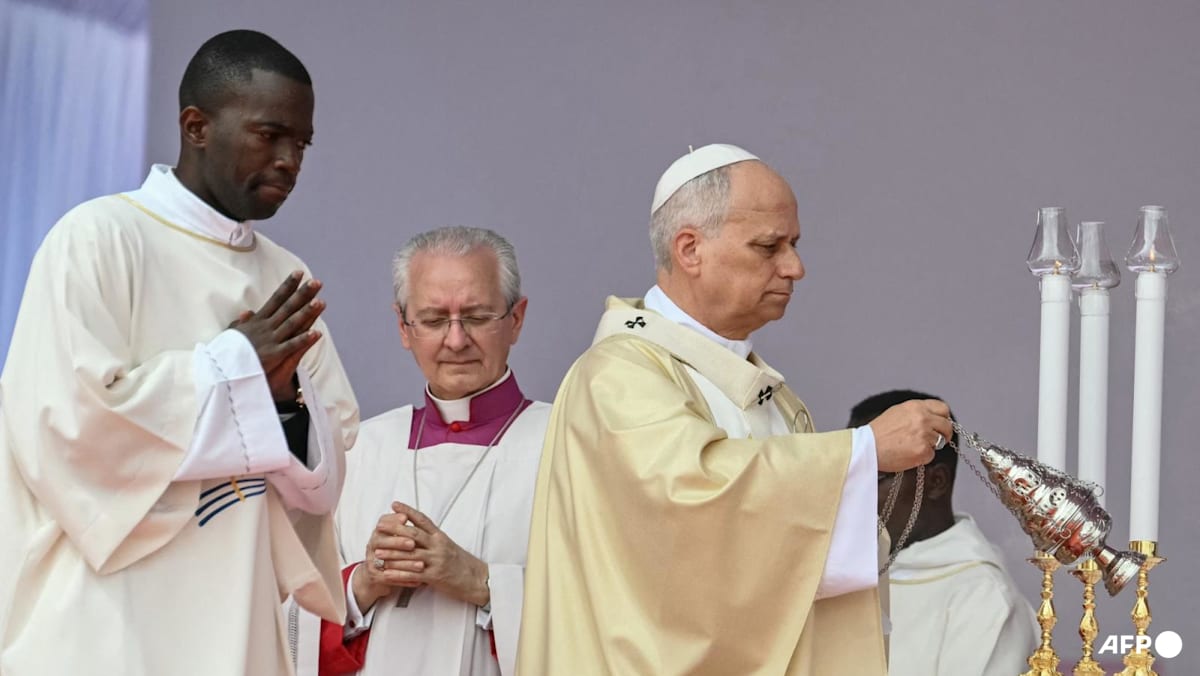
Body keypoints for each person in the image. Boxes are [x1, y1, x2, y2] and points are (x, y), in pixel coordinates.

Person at [517, 143, 953, 675]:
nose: (796, 267)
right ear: (690, 249)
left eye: (793, 244)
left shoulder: (768, 394)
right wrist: (862, 450)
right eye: (769, 247)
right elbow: (687, 508)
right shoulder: (618, 376)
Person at [0, 30, 359, 676]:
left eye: (301, 143)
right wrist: (233, 369)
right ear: (196, 126)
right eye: (269, 135)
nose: (289, 161)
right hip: (106, 629)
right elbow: (66, 429)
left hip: (237, 623)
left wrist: (284, 406)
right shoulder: (97, 240)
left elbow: (326, 478)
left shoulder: (286, 276)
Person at [303, 227, 549, 676]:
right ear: (403, 328)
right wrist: (364, 582)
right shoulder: (360, 450)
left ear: (516, 319)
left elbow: (611, 612)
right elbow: (291, 627)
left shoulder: (566, 445)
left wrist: (483, 582)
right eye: (434, 320)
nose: (455, 341)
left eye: (476, 317)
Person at [848, 389, 1038, 676]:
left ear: (936, 482)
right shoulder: (840, 575)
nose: (853, 495)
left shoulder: (983, 599)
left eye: (875, 477)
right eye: (849, 475)